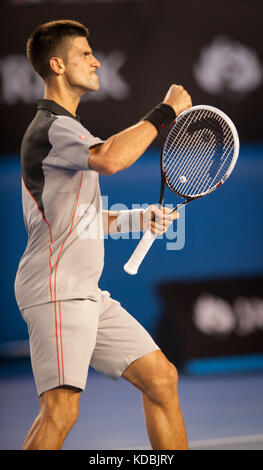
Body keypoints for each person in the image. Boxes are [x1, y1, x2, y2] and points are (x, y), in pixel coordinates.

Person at [14, 19, 192, 450]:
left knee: (161, 378)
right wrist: (164, 111)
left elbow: (84, 218)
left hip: (85, 294)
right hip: (57, 291)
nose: (96, 61)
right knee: (61, 410)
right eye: (84, 54)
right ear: (57, 65)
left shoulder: (67, 129)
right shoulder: (53, 128)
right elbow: (112, 159)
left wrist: (138, 219)